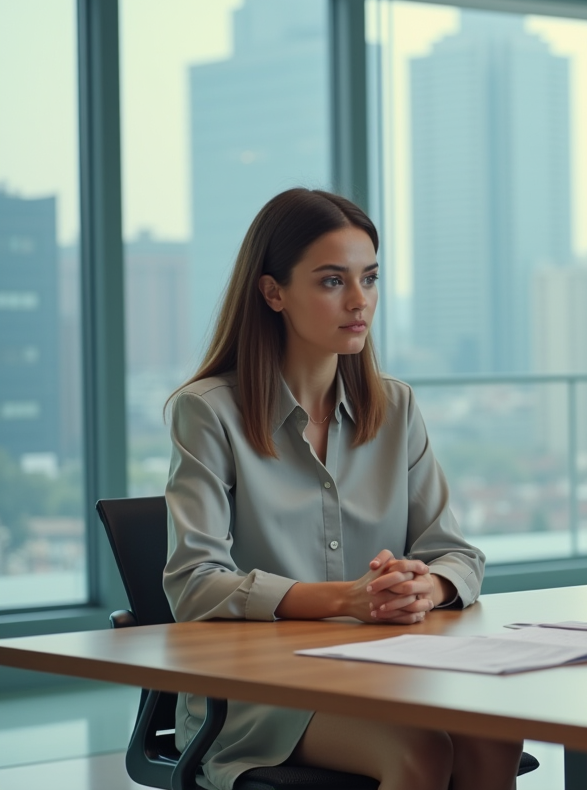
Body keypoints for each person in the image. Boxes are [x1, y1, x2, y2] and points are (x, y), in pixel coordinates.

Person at [163, 188, 523, 790]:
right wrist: (346, 599)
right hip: (261, 696)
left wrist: (422, 587)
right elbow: (194, 586)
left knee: (495, 730)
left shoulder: (396, 406)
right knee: (421, 752)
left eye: (370, 278)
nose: (360, 302)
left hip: (383, 672)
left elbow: (457, 554)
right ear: (273, 292)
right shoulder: (207, 413)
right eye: (333, 281)